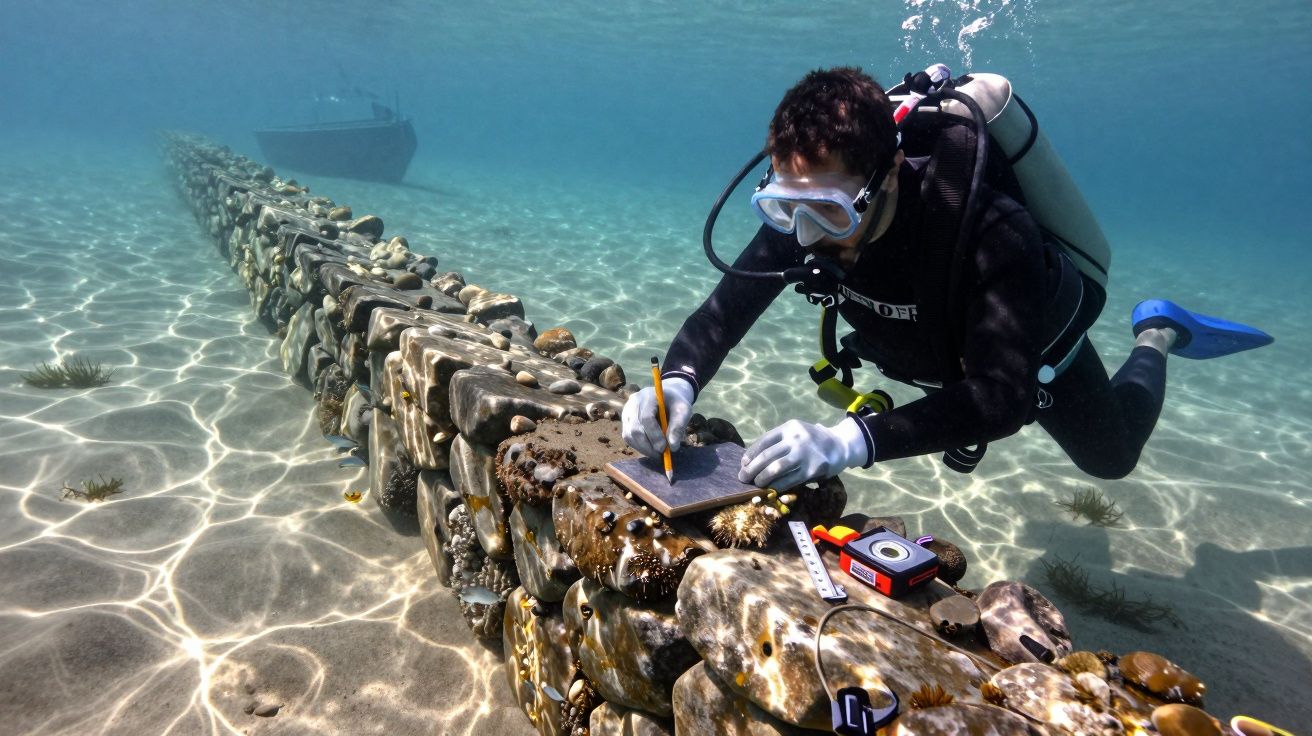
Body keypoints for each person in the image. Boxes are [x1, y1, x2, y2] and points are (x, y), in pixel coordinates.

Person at [622, 66, 1273, 489]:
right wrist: (675, 385)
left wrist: (849, 440)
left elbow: (1000, 397)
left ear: (892, 173)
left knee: (1112, 457)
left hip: (1033, 344)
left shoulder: (993, 231)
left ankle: (1156, 334)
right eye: (785, 207)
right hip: (928, 354)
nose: (807, 233)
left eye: (830, 210)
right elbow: (720, 316)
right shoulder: (804, 209)